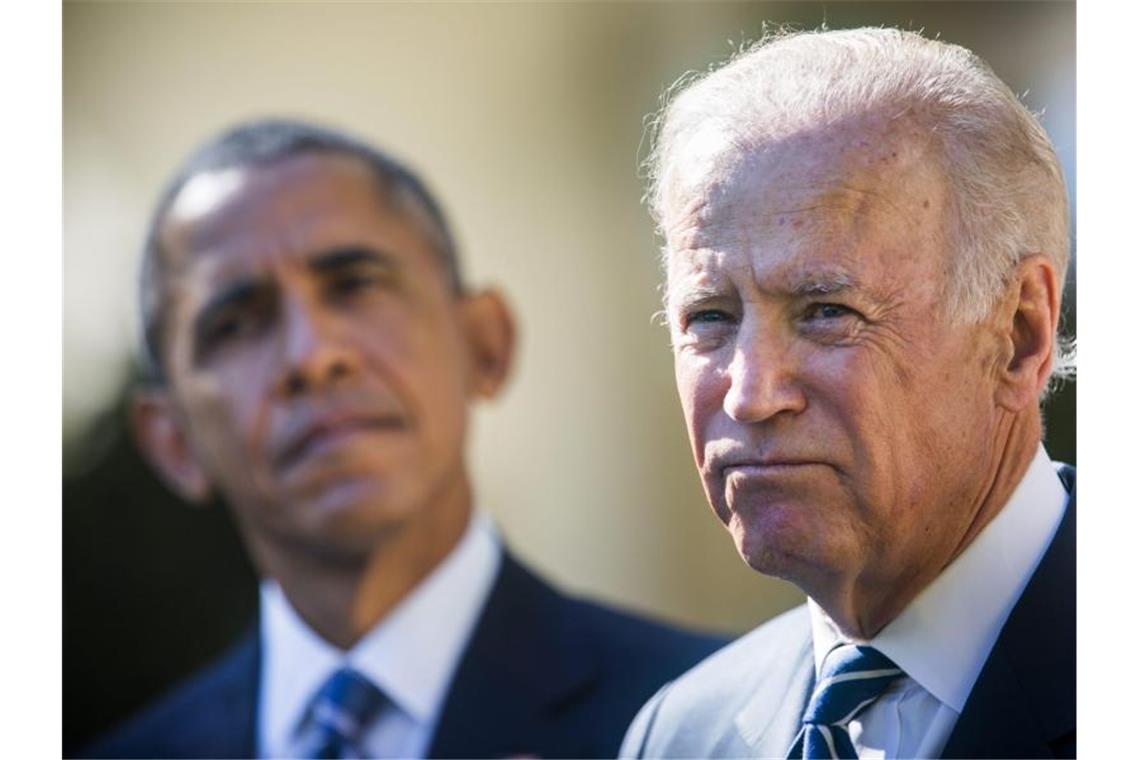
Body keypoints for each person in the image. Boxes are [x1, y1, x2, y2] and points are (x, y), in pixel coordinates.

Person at [82, 118, 723, 759]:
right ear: (174, 444)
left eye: (356, 285)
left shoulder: (718, 722)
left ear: (484, 344)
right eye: (236, 324)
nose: (313, 355)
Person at [620, 27, 1074, 759]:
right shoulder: (683, 733)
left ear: (1018, 334)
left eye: (826, 312)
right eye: (710, 317)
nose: (750, 395)